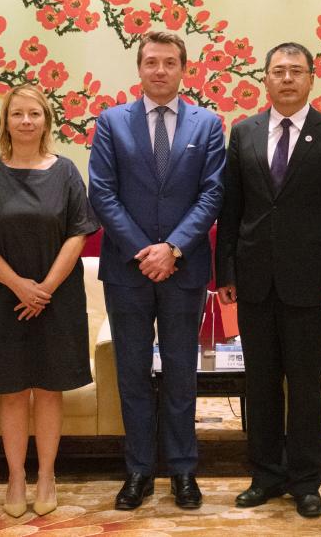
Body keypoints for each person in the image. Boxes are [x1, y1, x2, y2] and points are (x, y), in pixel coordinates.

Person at [216, 42, 321, 519]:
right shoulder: (244, 132)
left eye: (296, 71)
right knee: (259, 385)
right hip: (254, 281)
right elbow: (231, 209)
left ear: (312, 79)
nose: (287, 79)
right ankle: (265, 475)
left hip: (311, 286)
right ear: (265, 79)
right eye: (278, 71)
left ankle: (305, 480)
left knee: (304, 386)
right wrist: (226, 272)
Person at [88, 31, 225, 510]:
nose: (160, 70)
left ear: (184, 69)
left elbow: (212, 193)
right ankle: (139, 471)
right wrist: (145, 251)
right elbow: (102, 193)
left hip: (184, 271)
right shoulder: (111, 122)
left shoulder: (208, 125)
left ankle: (183, 471)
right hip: (127, 271)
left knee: (182, 374)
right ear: (140, 69)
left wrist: (174, 249)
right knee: (132, 374)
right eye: (151, 62)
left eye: (169, 62)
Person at [0, 84, 100, 518]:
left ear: (46, 120)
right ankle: (16, 476)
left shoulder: (66, 171)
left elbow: (78, 233)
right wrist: (19, 285)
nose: (25, 121)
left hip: (57, 298)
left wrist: (45, 288)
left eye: (34, 113)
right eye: (17, 113)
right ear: (5, 121)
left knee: (50, 390)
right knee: (13, 391)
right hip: (4, 298)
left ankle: (47, 475)